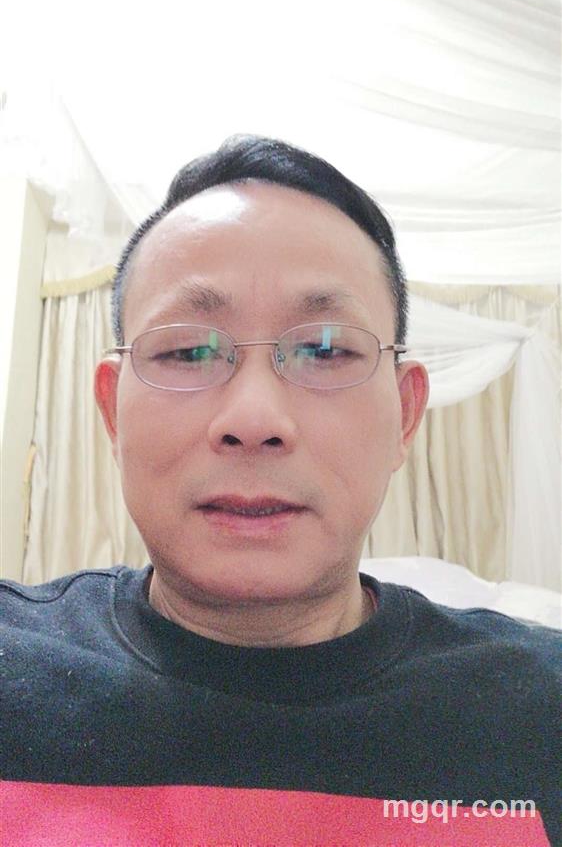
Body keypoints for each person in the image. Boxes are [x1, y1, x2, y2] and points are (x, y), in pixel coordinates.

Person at [1, 135, 560, 847]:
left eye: (325, 349)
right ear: (113, 411)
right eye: (188, 350)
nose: (254, 420)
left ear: (405, 414)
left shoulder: (539, 709)